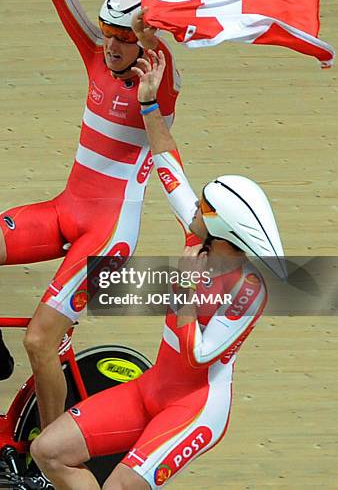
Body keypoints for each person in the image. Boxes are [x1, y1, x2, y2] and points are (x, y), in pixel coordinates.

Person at [0, 0, 181, 430]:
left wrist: (150, 63)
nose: (110, 44)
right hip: (67, 210)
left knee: (39, 339)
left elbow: (161, 108)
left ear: (144, 38)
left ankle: (50, 455)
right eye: (106, 33)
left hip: (107, 233)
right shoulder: (99, 55)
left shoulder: (157, 78)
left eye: (122, 37)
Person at [30, 50, 286, 489]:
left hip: (195, 409)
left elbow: (198, 355)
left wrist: (185, 287)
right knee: (48, 451)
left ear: (225, 231)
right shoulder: (198, 237)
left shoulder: (250, 291)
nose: (196, 207)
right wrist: (149, 106)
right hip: (152, 390)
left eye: (205, 207)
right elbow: (170, 166)